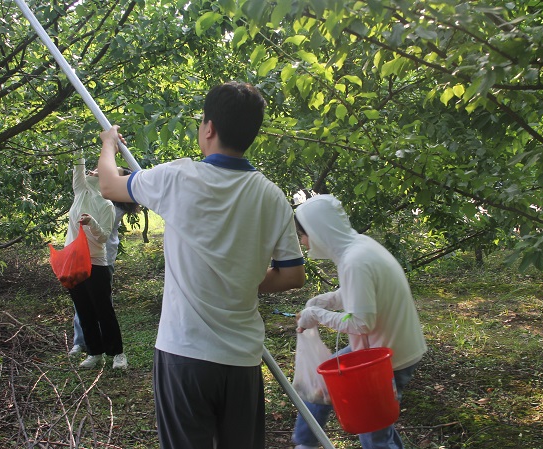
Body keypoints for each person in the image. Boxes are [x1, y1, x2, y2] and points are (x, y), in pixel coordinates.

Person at [97, 81, 306, 449]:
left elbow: (109, 186)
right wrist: (242, 277)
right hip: (241, 358)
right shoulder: (272, 197)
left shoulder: (177, 177)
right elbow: (292, 275)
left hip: (184, 352)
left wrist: (108, 144)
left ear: (208, 128)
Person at [290, 194, 428, 449]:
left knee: (373, 431)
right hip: (386, 347)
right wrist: (326, 301)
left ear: (317, 231)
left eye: (302, 235)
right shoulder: (359, 247)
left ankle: (305, 442)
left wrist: (316, 315)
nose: (303, 242)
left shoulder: (355, 260)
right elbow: (360, 293)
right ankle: (305, 442)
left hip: (386, 357)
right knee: (323, 382)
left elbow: (362, 323)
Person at [69, 167, 138, 370]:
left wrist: (91, 221)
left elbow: (102, 235)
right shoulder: (83, 193)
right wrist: (76, 150)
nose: (97, 172)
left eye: (109, 172)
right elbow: (78, 171)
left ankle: (116, 352)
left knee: (102, 308)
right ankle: (91, 350)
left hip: (100, 260)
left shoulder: (110, 204)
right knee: (83, 307)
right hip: (76, 259)